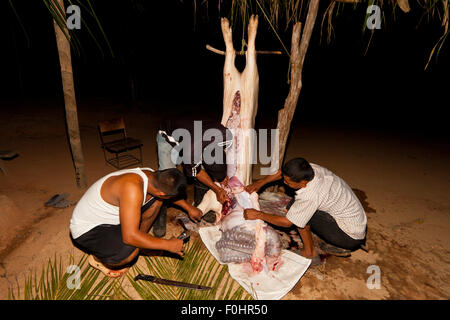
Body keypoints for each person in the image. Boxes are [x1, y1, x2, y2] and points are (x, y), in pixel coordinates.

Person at [244, 157, 367, 264]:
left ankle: (310, 254)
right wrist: (261, 182)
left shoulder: (310, 194)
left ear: (303, 183)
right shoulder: (311, 169)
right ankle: (333, 241)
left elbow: (287, 222)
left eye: (288, 182)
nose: (284, 183)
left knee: (300, 217)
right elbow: (283, 173)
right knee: (296, 207)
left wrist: (258, 214)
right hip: (355, 223)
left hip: (349, 236)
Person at [70, 167, 187, 277]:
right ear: (162, 193)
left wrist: (188, 208)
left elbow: (162, 196)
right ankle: (97, 259)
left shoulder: (151, 175)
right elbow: (129, 237)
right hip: (87, 228)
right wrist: (168, 245)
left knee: (157, 202)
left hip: (108, 218)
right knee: (129, 253)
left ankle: (142, 240)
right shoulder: (132, 189)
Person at [153, 117, 233, 236]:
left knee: (208, 168)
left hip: (192, 129)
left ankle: (201, 201)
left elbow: (224, 157)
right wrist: (216, 189)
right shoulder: (191, 152)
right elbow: (198, 171)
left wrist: (222, 177)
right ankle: (160, 211)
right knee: (167, 180)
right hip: (168, 134)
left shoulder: (227, 136)